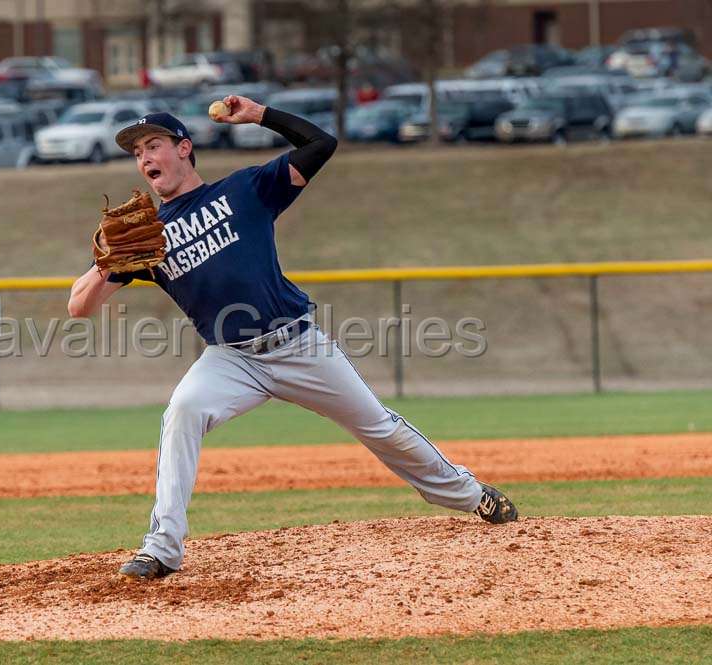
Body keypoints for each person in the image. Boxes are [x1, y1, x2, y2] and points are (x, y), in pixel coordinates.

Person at [67, 95, 518, 581]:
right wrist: (107, 263)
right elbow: (79, 306)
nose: (144, 159)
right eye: (137, 153)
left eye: (153, 145)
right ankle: (162, 549)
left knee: (379, 427)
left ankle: (472, 495)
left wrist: (262, 116)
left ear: (184, 148)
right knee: (183, 412)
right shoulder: (147, 237)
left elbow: (321, 144)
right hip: (231, 359)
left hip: (298, 344)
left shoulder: (245, 190)